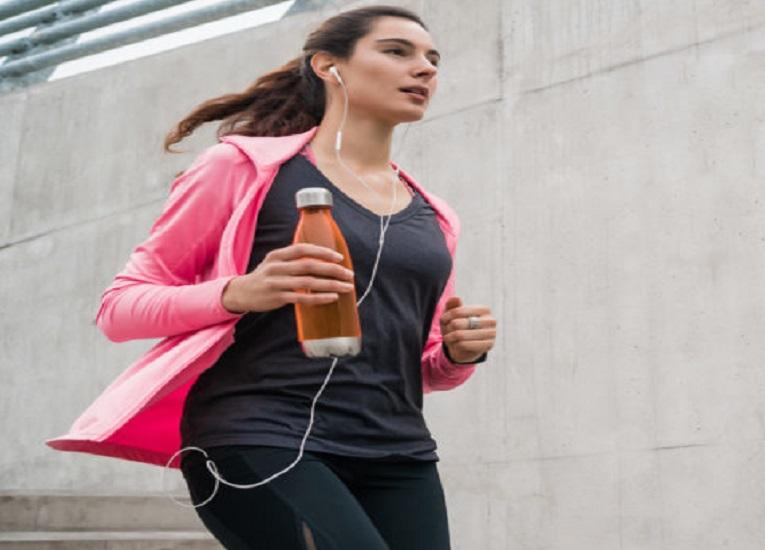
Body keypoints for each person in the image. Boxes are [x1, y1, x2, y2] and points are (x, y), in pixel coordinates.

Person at [46, 5, 497, 549]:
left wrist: (457, 353)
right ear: (329, 66)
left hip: (397, 449)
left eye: (432, 58)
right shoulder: (241, 169)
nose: (424, 69)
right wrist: (241, 293)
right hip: (257, 433)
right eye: (397, 52)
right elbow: (119, 308)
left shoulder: (434, 215)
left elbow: (422, 366)